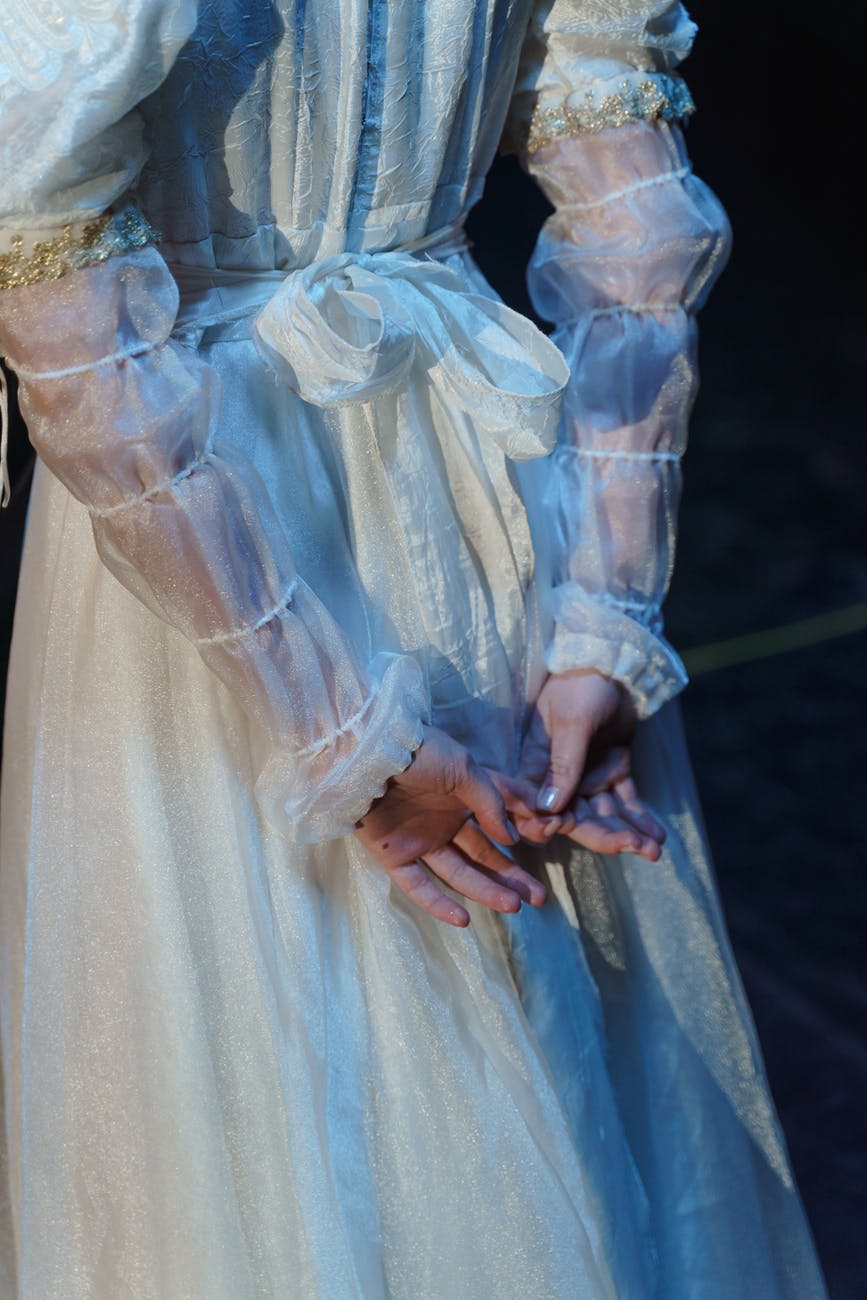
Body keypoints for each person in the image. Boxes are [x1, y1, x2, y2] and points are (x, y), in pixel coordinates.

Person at [0, 2, 828, 1296]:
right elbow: (643, 229)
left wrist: (340, 727)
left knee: (265, 1120)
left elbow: (83, 351)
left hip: (212, 530)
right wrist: (605, 608)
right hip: (481, 492)